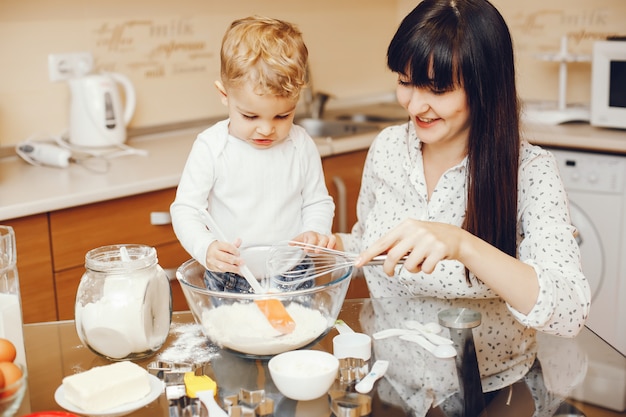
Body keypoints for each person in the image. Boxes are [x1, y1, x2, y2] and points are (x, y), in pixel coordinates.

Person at [335, 0, 590, 398]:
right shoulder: (386, 148)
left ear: (485, 85)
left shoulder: (530, 170)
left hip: (496, 392)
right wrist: (335, 248)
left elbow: (568, 308)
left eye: (437, 89)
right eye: (405, 82)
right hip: (391, 383)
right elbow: (372, 243)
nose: (415, 106)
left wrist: (462, 243)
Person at [171, 16, 335, 292]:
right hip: (230, 276)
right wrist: (206, 247)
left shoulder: (301, 145)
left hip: (292, 272)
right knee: (231, 336)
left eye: (283, 115)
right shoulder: (211, 147)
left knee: (298, 334)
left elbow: (317, 202)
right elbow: (186, 209)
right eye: (250, 115)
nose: (267, 129)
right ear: (224, 94)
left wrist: (316, 231)